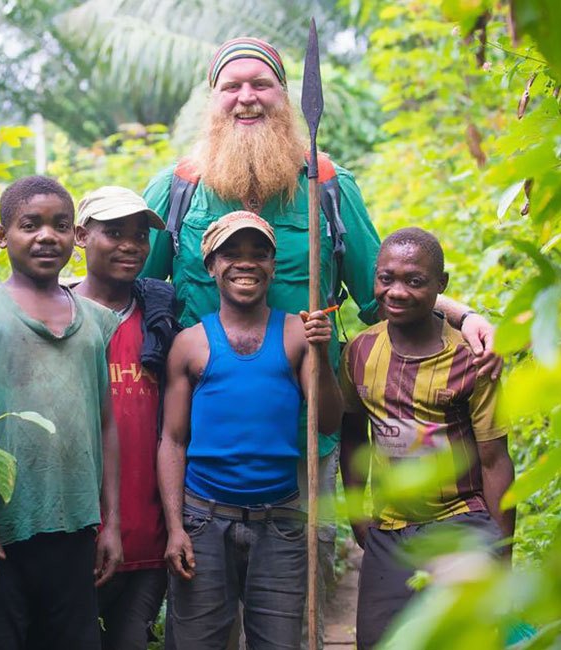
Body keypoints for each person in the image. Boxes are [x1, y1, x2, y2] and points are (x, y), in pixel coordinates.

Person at [142, 36, 501, 646]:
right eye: (233, 86)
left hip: (312, 432)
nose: (246, 97)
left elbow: (380, 291)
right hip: (207, 433)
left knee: (291, 595)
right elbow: (135, 290)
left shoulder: (327, 184)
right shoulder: (179, 189)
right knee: (204, 604)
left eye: (262, 84)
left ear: (284, 97)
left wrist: (462, 313)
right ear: (213, 99)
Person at [0, 176, 122, 649]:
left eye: (61, 225)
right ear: (3, 235)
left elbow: (104, 425)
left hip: (75, 527)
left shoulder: (97, 321)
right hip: (0, 531)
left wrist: (112, 523)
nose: (47, 236)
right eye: (30, 225)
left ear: (75, 236)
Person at [158, 211, 344, 649]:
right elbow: (172, 440)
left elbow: (330, 421)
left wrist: (322, 353)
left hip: (279, 522)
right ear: (210, 267)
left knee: (279, 642)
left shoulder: (299, 333)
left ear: (273, 267)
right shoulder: (190, 343)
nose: (246, 263)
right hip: (203, 519)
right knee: (197, 641)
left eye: (258, 254)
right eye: (231, 254)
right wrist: (174, 528)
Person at [338, 227, 515, 650]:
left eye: (414, 281)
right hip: (390, 528)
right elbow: (353, 434)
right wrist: (357, 513)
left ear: (441, 286)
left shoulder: (472, 360)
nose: (396, 292)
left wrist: (501, 553)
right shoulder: (360, 352)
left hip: (462, 522)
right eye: (386, 278)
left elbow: (494, 460)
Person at [71, 186, 180, 649]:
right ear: (80, 236)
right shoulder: (58, 316)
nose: (131, 245)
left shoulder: (161, 321)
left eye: (140, 235)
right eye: (114, 233)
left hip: (148, 537)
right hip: (74, 538)